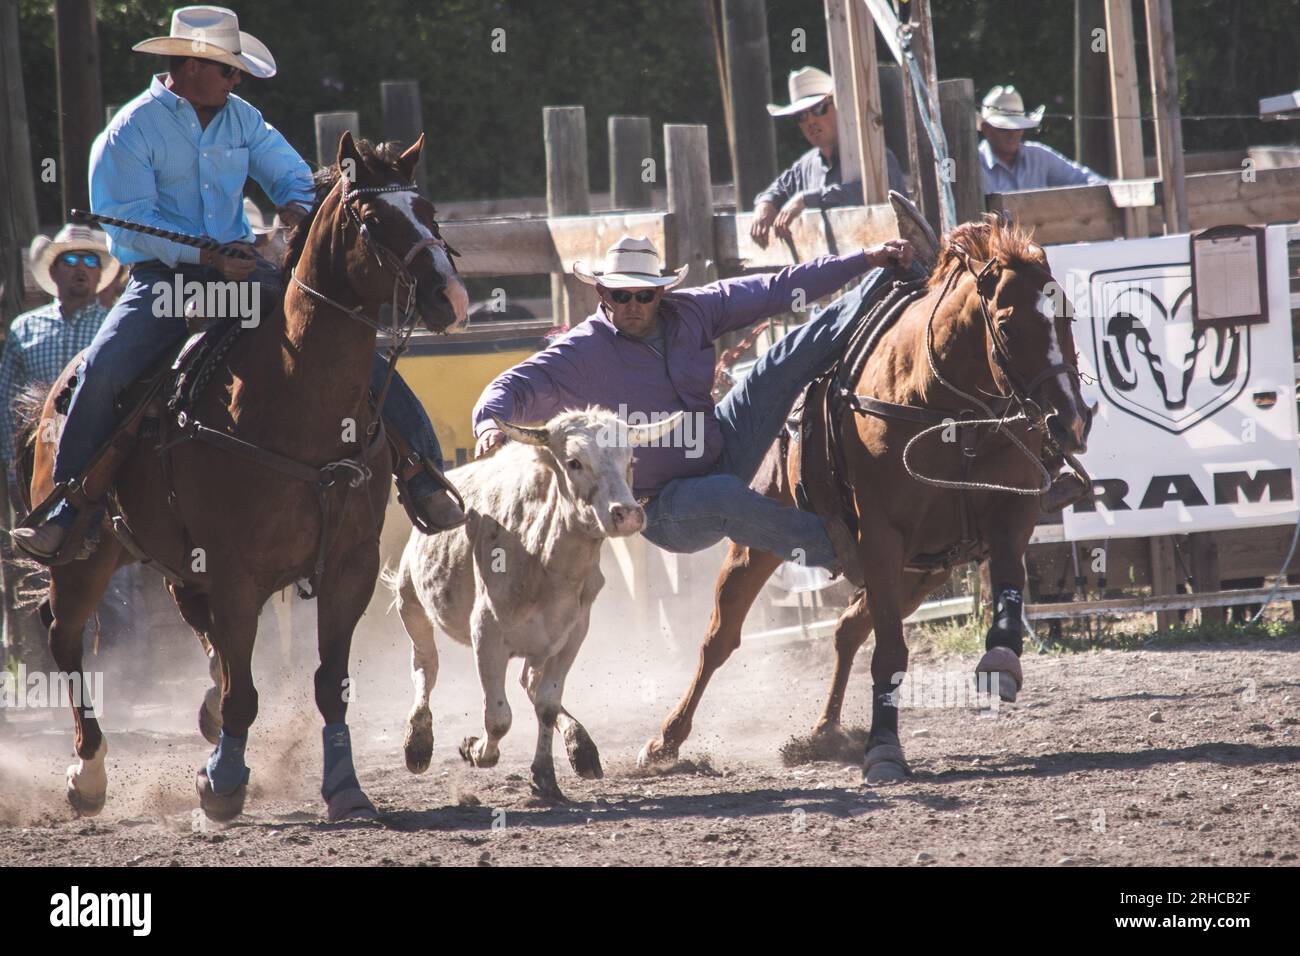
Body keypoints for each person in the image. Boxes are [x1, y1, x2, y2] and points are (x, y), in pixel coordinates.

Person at [12, 5, 464, 563]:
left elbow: (293, 179)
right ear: (191, 65)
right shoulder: (128, 131)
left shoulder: (243, 119)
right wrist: (204, 252)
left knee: (346, 346)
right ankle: (69, 506)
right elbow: (125, 217)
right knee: (104, 371)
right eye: (229, 69)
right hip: (166, 285)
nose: (236, 79)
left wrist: (308, 209)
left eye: (235, 71)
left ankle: (422, 471)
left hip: (247, 277)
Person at [472, 234, 920, 587]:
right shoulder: (580, 352)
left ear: (661, 293)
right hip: (666, 508)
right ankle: (853, 555)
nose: (632, 305)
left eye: (643, 295)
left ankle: (895, 280)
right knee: (723, 495)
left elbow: (777, 289)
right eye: (619, 294)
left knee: (780, 361)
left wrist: (866, 258)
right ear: (602, 292)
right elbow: (514, 384)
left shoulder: (695, 310)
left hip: (721, 444)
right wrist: (489, 421)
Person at [0, 225, 120, 498]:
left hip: (100, 462)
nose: (81, 267)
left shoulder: (115, 328)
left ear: (99, 273)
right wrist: (11, 468)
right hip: (33, 459)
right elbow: (5, 403)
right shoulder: (24, 329)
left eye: (90, 260)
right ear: (53, 271)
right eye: (70, 260)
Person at [752, 66, 907, 249]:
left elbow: (870, 193)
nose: (810, 121)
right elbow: (777, 189)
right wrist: (765, 205)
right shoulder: (805, 166)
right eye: (801, 115)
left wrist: (806, 199)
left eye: (818, 108)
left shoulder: (875, 156)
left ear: (839, 106)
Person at [977, 85, 1105, 193]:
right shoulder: (974, 165)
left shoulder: (1038, 157)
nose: (1012, 134)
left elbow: (1085, 179)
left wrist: (1115, 192)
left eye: (1017, 127)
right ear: (986, 129)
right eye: (1003, 128)